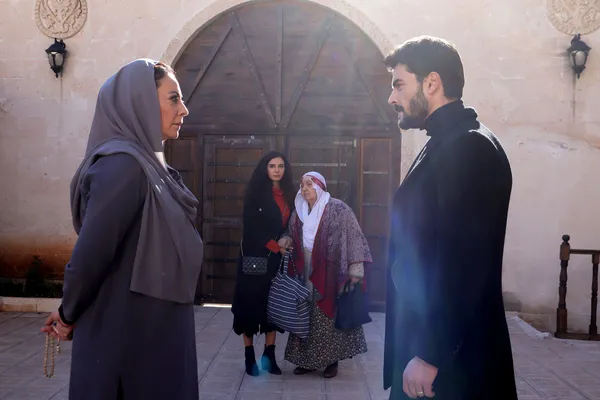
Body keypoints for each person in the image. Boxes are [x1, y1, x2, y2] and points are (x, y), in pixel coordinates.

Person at [41, 59, 204, 400]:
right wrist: (68, 312)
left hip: (151, 334)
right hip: (128, 340)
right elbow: (91, 255)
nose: (184, 110)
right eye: (173, 98)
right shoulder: (123, 166)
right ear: (139, 103)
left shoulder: (150, 167)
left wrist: (68, 311)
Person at [382, 36, 517, 399]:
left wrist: (431, 353)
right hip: (430, 351)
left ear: (431, 82)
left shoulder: (470, 147)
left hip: (451, 366)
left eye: (399, 84)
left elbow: (464, 262)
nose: (392, 97)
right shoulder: (446, 141)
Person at [281, 172, 372, 379]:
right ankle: (307, 361)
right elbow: (291, 233)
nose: (305, 189)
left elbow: (355, 237)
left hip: (331, 272)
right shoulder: (298, 212)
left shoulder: (338, 209)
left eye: (309, 185)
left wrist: (355, 269)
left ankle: (331, 361)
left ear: (320, 187)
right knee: (305, 315)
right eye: (302, 186)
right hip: (305, 271)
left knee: (327, 314)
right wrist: (286, 239)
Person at [231, 151, 296, 376]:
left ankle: (269, 357)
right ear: (265, 168)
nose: (277, 170)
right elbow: (251, 228)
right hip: (255, 258)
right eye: (272, 166)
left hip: (276, 260)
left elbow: (291, 224)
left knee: (273, 307)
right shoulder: (255, 194)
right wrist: (275, 246)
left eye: (280, 166)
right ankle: (249, 357)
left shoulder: (290, 194)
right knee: (249, 307)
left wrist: (286, 239)